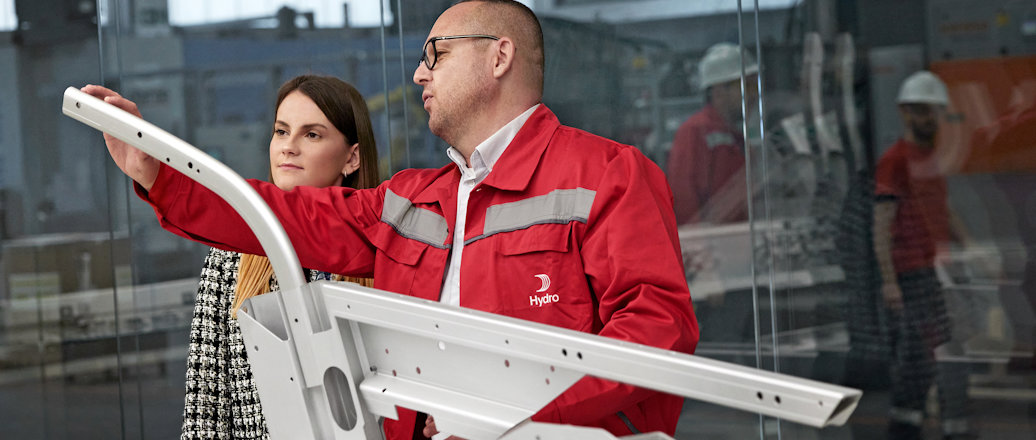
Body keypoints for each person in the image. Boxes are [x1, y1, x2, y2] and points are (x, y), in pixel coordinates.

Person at [84, 1, 699, 439]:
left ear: (499, 57)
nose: (418, 74)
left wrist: (514, 423)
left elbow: (655, 333)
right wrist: (158, 172)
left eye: (436, 53)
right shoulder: (410, 201)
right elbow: (282, 216)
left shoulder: (609, 174)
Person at [179, 75, 381, 439]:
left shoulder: (386, 255)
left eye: (311, 134)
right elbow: (206, 401)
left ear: (351, 158)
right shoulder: (231, 256)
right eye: (281, 131)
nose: (288, 147)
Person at [873, 70, 971, 440]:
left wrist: (969, 247)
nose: (931, 119)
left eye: (935, 111)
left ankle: (938, 427)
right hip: (910, 274)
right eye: (923, 111)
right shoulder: (895, 160)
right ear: (906, 113)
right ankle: (904, 429)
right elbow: (882, 221)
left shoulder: (930, 157)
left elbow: (942, 209)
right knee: (918, 358)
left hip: (933, 271)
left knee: (937, 353)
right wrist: (889, 282)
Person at [666, 42, 758, 225]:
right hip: (712, 244)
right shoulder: (694, 132)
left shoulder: (734, 136)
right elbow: (683, 200)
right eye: (746, 87)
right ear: (718, 91)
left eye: (754, 86)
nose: (754, 95)